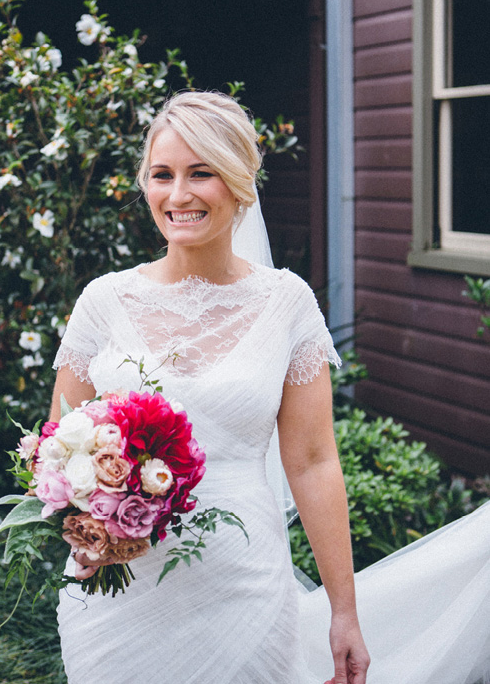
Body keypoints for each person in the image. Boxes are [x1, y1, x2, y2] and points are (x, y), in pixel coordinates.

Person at [50, 92, 490, 684]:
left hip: (244, 586)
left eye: (200, 173)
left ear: (240, 183)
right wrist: (93, 521)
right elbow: (60, 444)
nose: (177, 195)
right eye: (162, 175)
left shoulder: (287, 304)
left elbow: (312, 462)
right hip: (118, 588)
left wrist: (343, 612)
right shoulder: (102, 302)